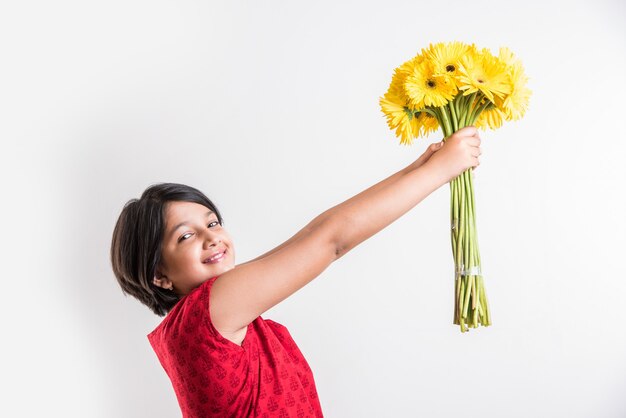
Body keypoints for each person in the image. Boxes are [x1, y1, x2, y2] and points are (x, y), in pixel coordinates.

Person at [109, 126, 482, 417]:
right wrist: (439, 173)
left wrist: (419, 168)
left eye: (213, 222)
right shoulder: (203, 319)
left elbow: (317, 233)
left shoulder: (231, 319)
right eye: (186, 235)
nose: (212, 238)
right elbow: (329, 239)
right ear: (159, 275)